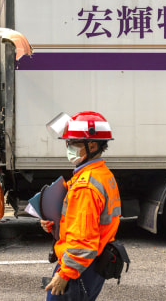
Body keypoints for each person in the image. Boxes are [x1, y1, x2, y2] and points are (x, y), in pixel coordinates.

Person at [41, 111, 121, 301]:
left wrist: (65, 274)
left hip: (79, 268)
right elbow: (86, 221)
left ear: (91, 145)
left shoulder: (86, 185)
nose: (68, 147)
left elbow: (84, 238)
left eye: (72, 143)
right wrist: (54, 224)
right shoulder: (102, 174)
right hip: (92, 264)